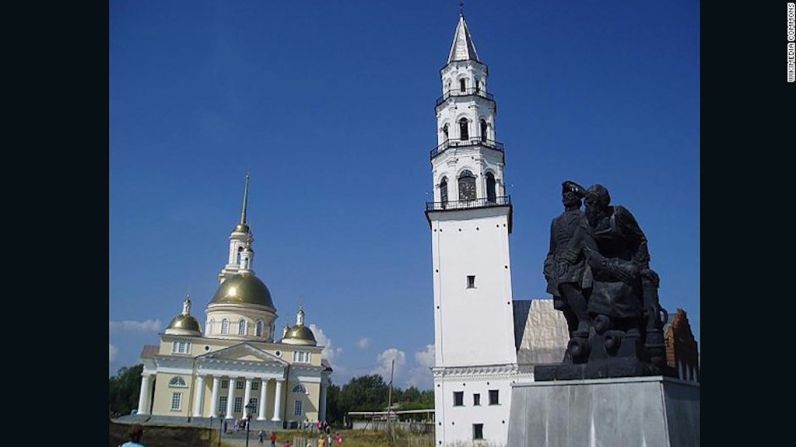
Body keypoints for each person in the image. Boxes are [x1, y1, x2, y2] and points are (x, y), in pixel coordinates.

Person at [543, 181, 593, 362]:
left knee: (566, 283)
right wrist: (548, 265)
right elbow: (552, 249)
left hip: (579, 265)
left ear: (577, 199)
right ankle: (576, 344)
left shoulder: (584, 218)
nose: (566, 197)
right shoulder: (555, 222)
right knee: (566, 309)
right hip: (559, 267)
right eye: (564, 195)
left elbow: (588, 242)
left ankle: (585, 319)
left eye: (570, 195)